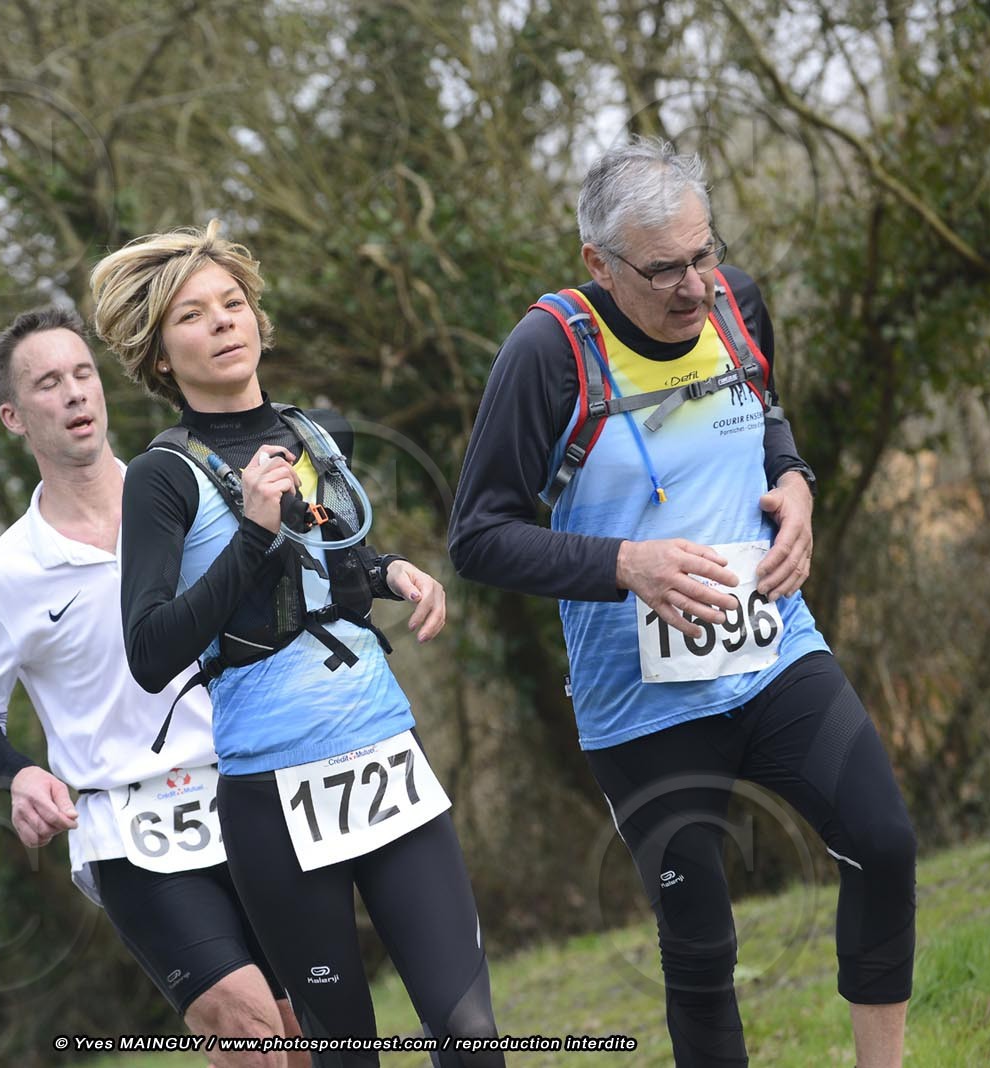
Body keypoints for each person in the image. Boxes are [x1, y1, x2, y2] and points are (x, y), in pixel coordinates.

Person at [448, 137, 916, 1067]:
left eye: (704, 255)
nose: (694, 287)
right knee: (702, 948)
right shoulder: (548, 352)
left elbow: (766, 417)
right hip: (642, 702)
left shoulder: (737, 304)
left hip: (774, 652)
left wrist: (797, 482)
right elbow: (478, 535)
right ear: (599, 264)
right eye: (664, 270)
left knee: (885, 842)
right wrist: (626, 564)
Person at [91, 222, 502, 1068]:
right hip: (273, 797)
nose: (222, 322)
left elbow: (333, 560)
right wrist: (251, 530)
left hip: (384, 758)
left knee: (470, 1035)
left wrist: (390, 573)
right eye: (193, 316)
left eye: (232, 304)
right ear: (160, 356)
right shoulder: (161, 478)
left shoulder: (319, 436)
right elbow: (150, 650)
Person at [0, 306, 305, 1067]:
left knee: (305, 1038)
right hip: (133, 830)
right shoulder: (2, 578)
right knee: (249, 1035)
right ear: (13, 416)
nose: (74, 393)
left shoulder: (190, 496)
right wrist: (21, 773)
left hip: (251, 789)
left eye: (82, 374)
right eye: (47, 384)